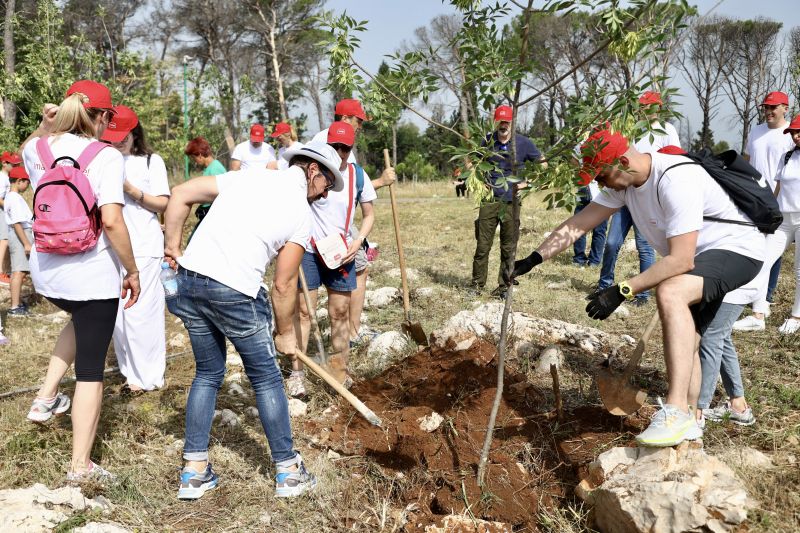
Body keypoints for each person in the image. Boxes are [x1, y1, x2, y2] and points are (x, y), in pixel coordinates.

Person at [513, 127, 765, 447]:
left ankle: (675, 410)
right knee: (693, 334)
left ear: (621, 161)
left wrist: (622, 289)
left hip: (738, 249)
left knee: (671, 291)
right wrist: (533, 259)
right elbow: (579, 224)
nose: (599, 184)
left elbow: (681, 260)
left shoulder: (674, 179)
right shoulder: (623, 185)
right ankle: (690, 421)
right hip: (707, 256)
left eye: (601, 176)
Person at [162, 140, 342, 500]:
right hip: (234, 291)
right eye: (325, 186)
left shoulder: (246, 177)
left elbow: (180, 193)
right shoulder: (300, 214)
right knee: (266, 377)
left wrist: (173, 247)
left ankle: (193, 473)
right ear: (312, 171)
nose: (323, 196)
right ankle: (288, 472)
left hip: (190, 281)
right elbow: (283, 282)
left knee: (208, 373)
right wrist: (286, 334)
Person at [23, 80, 141, 483]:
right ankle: (80, 466)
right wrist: (133, 269)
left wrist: (43, 124)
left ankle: (44, 399)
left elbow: (36, 143)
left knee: (77, 321)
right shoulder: (104, 156)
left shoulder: (35, 148)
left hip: (46, 271)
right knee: (91, 370)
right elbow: (110, 220)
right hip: (90, 274)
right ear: (104, 117)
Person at [290, 123, 376, 396]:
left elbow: (369, 215)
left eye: (345, 148)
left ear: (351, 149)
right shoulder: (308, 172)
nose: (339, 152)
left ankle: (340, 370)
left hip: (341, 252)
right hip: (309, 251)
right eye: (335, 146)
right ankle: (297, 373)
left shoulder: (357, 176)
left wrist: (357, 239)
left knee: (339, 312)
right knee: (304, 312)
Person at [101, 105, 170, 393]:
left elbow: (163, 203)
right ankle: (130, 373)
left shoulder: (151, 162)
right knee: (118, 315)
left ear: (134, 132)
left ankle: (151, 375)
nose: (117, 142)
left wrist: (130, 189)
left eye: (122, 137)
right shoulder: (102, 159)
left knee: (142, 312)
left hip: (143, 244)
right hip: (110, 247)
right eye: (112, 137)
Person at [596, 92, 679, 305]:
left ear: (657, 109)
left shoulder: (667, 130)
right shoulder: (632, 129)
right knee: (613, 242)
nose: (643, 110)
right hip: (626, 195)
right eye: (641, 106)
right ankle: (603, 285)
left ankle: (641, 294)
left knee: (644, 246)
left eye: (648, 107)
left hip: (649, 197)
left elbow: (675, 157)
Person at [733, 91, 795, 331]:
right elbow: (747, 162)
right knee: (754, 246)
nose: (769, 111)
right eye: (766, 107)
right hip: (752, 197)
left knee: (772, 250)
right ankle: (753, 296)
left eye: (773, 107)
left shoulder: (791, 134)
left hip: (779, 200)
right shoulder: (756, 131)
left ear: (785, 108)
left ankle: (765, 298)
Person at [471, 104, 545, 298]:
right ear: (496, 121)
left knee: (508, 247)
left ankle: (504, 288)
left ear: (512, 121)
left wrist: (528, 184)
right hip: (489, 200)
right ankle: (476, 286)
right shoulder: (487, 141)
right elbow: (471, 162)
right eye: (501, 121)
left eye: (507, 121)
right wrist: (480, 180)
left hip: (511, 202)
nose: (504, 125)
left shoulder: (524, 143)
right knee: (482, 246)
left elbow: (543, 164)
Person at [697, 277, 757, 428]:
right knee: (721, 336)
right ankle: (738, 406)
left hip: (734, 287)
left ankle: (697, 411)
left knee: (711, 336)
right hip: (726, 285)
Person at [5, 166, 33, 317]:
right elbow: (17, 223)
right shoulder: (14, 198)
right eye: (26, 182)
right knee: (19, 271)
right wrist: (26, 243)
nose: (27, 185)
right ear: (19, 181)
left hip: (19, 234)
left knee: (20, 271)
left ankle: (16, 304)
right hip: (20, 235)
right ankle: (14, 307)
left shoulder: (11, 197)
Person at [184, 137, 226, 230]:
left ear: (199, 155)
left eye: (193, 158)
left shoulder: (215, 168)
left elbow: (218, 195)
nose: (194, 161)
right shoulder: (210, 168)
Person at [572, 180, 606, 267]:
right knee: (578, 230)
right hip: (582, 199)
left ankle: (594, 261)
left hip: (601, 199)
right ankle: (579, 259)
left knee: (599, 231)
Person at [0, 152, 15, 287]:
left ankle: (5, 270)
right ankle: (0, 273)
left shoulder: (6, 177)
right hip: (2, 210)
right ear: (4, 163)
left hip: (4, 210)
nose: (14, 166)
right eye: (12, 164)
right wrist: (10, 208)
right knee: (4, 240)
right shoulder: (2, 177)